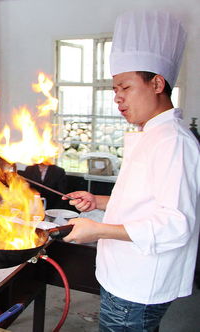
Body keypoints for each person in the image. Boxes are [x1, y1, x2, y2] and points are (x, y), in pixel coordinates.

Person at [62, 11, 199, 331]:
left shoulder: (173, 142)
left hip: (139, 283)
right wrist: (97, 201)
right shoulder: (152, 134)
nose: (118, 98)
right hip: (124, 273)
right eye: (114, 90)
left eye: (125, 87)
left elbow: (175, 223)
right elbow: (144, 198)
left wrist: (97, 230)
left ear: (157, 83)